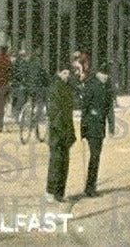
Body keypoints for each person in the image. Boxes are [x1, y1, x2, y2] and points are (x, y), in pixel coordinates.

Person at [80, 63, 116, 197]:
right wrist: (83, 130)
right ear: (100, 74)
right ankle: (90, 188)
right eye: (105, 75)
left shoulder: (106, 86)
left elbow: (109, 108)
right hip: (91, 126)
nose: (107, 78)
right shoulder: (91, 85)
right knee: (95, 156)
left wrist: (111, 126)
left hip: (100, 127)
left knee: (96, 156)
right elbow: (85, 107)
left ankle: (91, 186)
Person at [46, 63, 76, 203]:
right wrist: (61, 129)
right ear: (58, 73)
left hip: (66, 130)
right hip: (57, 131)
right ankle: (51, 191)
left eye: (68, 74)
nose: (66, 76)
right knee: (56, 162)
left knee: (64, 162)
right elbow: (53, 111)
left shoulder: (67, 87)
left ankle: (60, 193)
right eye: (64, 73)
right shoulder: (55, 87)